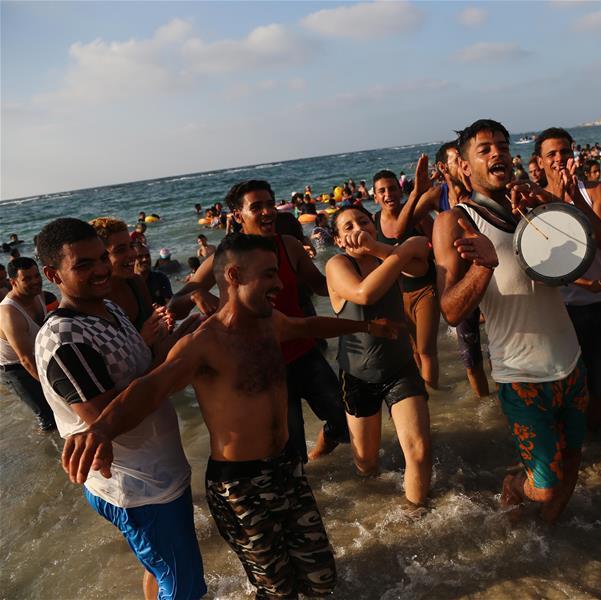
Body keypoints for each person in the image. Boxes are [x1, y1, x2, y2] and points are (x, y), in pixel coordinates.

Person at [61, 233, 403, 598]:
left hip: (287, 468)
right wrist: (101, 428)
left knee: (321, 579)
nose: (280, 283)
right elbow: (152, 387)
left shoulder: (269, 320)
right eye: (269, 274)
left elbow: (308, 325)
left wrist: (367, 327)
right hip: (239, 486)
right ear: (235, 276)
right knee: (276, 591)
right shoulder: (205, 343)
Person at [432, 119, 601, 523]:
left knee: (574, 461)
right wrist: (483, 269)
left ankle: (549, 542)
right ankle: (514, 485)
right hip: (521, 375)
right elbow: (451, 310)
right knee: (544, 486)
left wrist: (546, 197)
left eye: (503, 147)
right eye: (485, 149)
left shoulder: (532, 206)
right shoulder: (455, 221)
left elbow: (597, 239)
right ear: (464, 166)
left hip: (570, 360)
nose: (498, 154)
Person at [33, 218, 206, 600]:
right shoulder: (64, 338)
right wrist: (179, 365)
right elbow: (111, 418)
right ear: (52, 274)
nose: (100, 270)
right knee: (184, 588)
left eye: (100, 258)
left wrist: (184, 340)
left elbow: (145, 366)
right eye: (83, 265)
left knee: (162, 571)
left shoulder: (107, 306)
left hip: (156, 475)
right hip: (136, 488)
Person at [170, 180, 350, 461]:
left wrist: (360, 277)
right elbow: (174, 304)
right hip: (264, 366)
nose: (268, 211)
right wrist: (196, 296)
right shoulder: (223, 258)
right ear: (238, 215)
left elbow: (319, 285)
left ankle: (323, 447)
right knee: (291, 452)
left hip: (305, 353)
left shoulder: (289, 246)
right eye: (257, 207)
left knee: (345, 422)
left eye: (270, 203)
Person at [326, 207, 433, 506]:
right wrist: (404, 249)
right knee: (367, 464)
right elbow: (363, 294)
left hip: (400, 369)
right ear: (338, 240)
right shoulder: (337, 264)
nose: (358, 228)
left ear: (374, 228)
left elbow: (421, 268)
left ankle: (415, 515)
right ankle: (372, 512)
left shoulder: (385, 256)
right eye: (348, 226)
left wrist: (385, 250)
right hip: (358, 376)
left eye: (363, 222)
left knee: (420, 453)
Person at [534, 127, 601, 431]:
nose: (559, 159)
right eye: (551, 154)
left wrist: (574, 199)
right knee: (561, 388)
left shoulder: (594, 190)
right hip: (558, 309)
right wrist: (556, 197)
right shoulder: (533, 199)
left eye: (565, 152)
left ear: (574, 154)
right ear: (540, 162)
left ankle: (594, 447)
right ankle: (569, 451)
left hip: (599, 304)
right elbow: (540, 261)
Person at [372, 168, 441, 389]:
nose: (388, 194)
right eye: (382, 190)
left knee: (426, 350)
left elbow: (439, 251)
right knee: (412, 350)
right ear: (375, 197)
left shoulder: (417, 216)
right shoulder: (373, 222)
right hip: (396, 296)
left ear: (401, 192)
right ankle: (423, 396)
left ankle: (433, 394)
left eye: (392, 188)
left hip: (425, 289)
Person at [89, 218, 166, 347]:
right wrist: (141, 340)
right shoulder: (95, 303)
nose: (132, 254)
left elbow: (154, 333)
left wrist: (162, 323)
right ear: (100, 256)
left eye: (131, 246)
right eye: (120, 250)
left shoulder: (136, 283)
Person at [0, 257, 56, 431]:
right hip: (15, 368)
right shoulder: (9, 313)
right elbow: (25, 360)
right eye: (27, 279)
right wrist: (52, 390)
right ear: (13, 282)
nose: (35, 282)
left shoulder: (38, 293)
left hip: (37, 353)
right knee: (46, 415)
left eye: (36, 276)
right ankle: (48, 451)